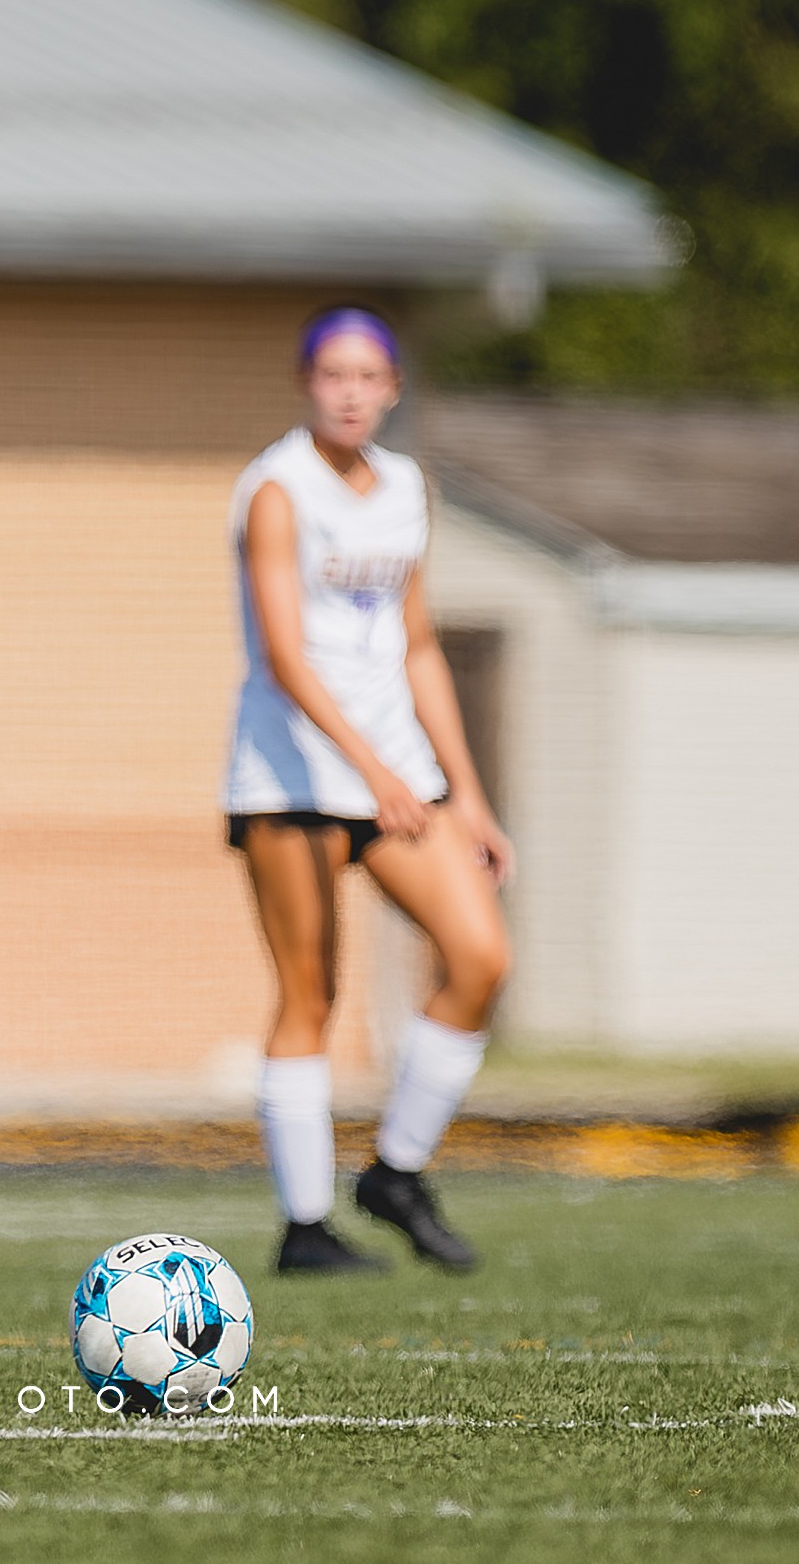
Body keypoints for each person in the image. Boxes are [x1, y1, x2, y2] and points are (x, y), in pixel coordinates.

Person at [226, 308, 513, 1275]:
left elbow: (418, 642)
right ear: (307, 383)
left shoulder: (405, 489)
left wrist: (463, 793)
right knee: (312, 993)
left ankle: (395, 1171)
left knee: (481, 958)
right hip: (290, 778)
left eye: (368, 376)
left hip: (402, 779)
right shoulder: (277, 489)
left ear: (393, 389)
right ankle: (305, 1228)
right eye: (332, 374)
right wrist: (375, 773)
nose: (350, 391)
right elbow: (283, 655)